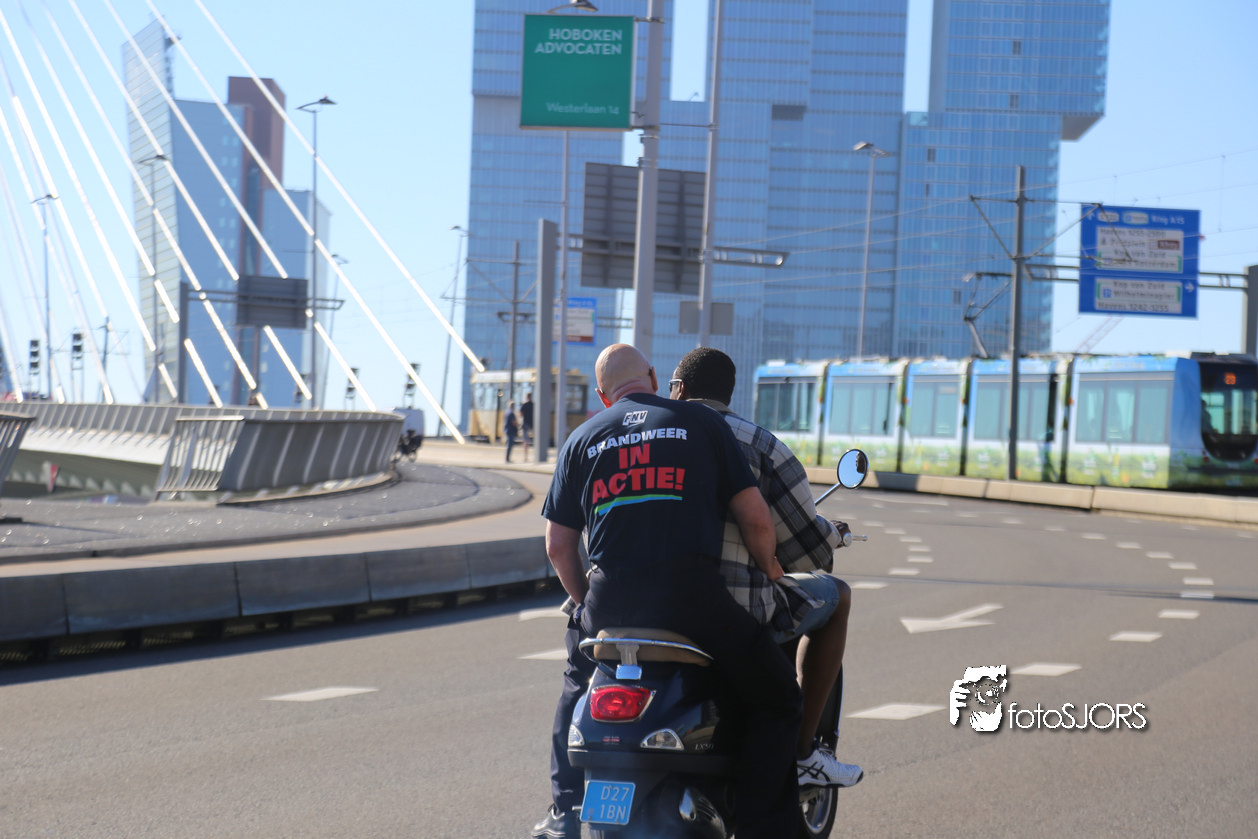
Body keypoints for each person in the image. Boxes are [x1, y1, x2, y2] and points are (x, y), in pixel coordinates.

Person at [533, 343, 802, 839]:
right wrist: (770, 568)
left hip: (610, 599)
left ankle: (563, 811)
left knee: (576, 680)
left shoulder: (582, 438)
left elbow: (558, 546)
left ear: (602, 395)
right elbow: (756, 519)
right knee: (779, 696)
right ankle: (764, 826)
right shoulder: (702, 424)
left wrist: (586, 604)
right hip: (692, 600)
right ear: (656, 380)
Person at [671, 347, 863, 788]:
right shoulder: (759, 444)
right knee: (837, 595)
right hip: (732, 611)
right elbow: (805, 549)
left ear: (679, 389)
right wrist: (828, 535)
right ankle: (803, 752)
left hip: (637, 606)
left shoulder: (648, 438)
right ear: (730, 393)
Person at [520, 392, 535, 459]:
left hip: (526, 423)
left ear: (526, 397)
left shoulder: (524, 405)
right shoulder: (533, 405)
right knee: (535, 440)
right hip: (532, 424)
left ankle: (525, 456)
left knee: (525, 441)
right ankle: (535, 455)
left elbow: (521, 414)